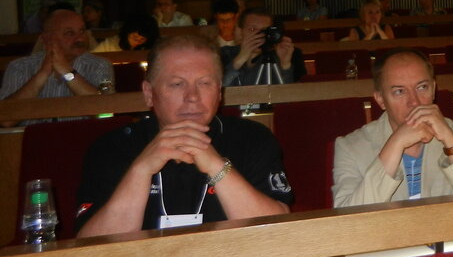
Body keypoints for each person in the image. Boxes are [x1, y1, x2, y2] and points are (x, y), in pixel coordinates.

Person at [74, 35, 293, 237]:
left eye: (204, 83)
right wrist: (141, 170)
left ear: (219, 92)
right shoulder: (112, 147)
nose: (192, 97)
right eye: (177, 84)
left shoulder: (252, 138)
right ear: (149, 93)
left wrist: (216, 166)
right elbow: (90, 246)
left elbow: (278, 231)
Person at [332, 48, 453, 206]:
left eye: (422, 87)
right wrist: (395, 143)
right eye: (399, 91)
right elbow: (347, 218)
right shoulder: (351, 148)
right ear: (380, 99)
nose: (414, 102)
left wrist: (451, 142)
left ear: (433, 89)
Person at [0, 9, 114, 126]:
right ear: (47, 38)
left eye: (82, 31)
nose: (80, 39)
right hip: (32, 136)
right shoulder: (19, 67)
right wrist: (42, 74)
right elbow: (5, 121)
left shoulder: (100, 65)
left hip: (82, 136)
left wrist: (67, 72)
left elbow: (105, 113)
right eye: (69, 33)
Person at [220, 8, 304, 87]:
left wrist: (285, 65)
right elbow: (218, 87)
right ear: (241, 31)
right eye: (252, 29)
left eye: (264, 30)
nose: (259, 35)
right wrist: (239, 60)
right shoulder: (225, 54)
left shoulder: (275, 57)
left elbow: (286, 93)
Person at [93, 14, 160, 53]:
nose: (138, 42)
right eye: (135, 37)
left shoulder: (148, 49)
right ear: (127, 32)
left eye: (142, 39)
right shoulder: (109, 45)